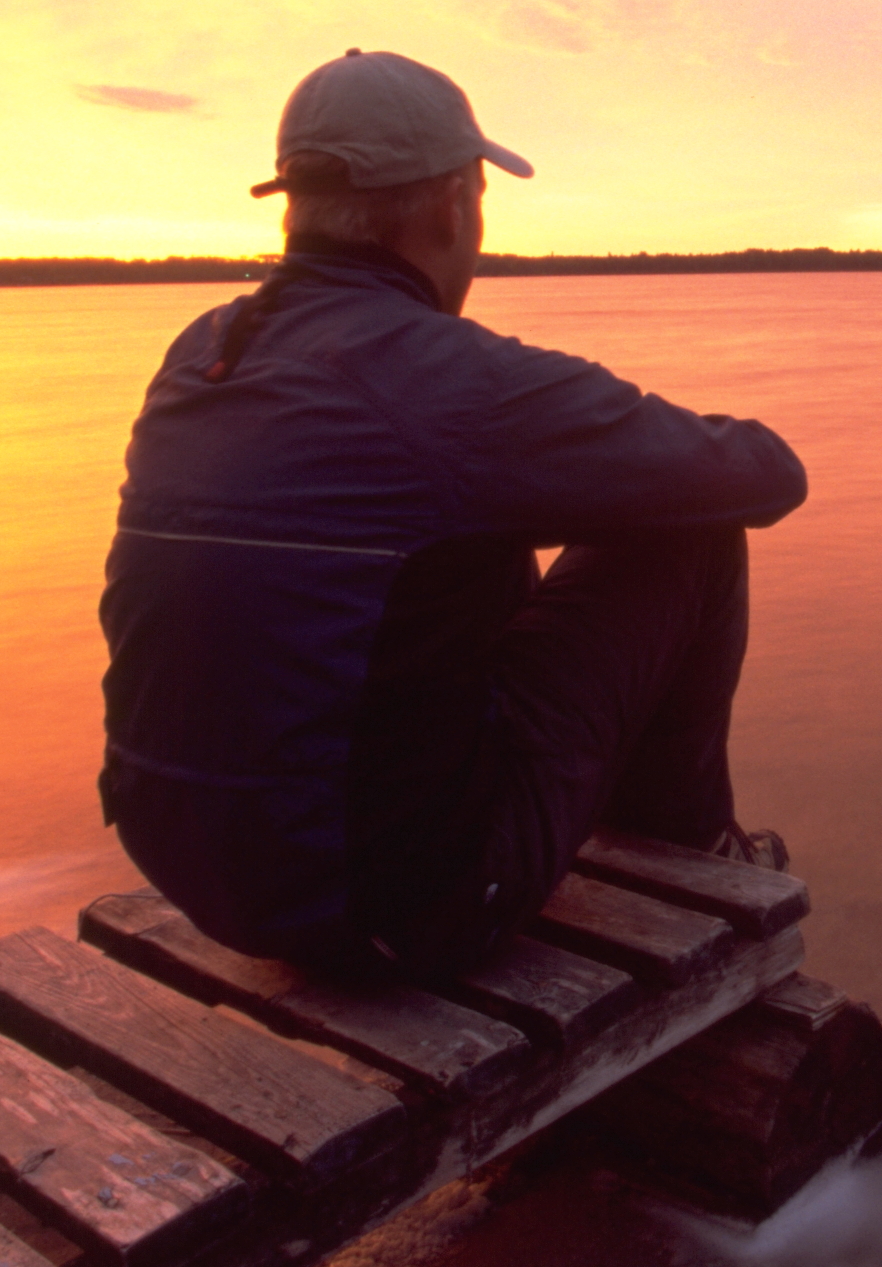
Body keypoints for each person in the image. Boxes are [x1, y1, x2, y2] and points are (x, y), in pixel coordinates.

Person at [98, 49, 807, 982]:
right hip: (394, 907)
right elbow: (763, 473)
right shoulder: (446, 380)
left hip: (192, 866)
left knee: (443, 547)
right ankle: (692, 864)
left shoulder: (201, 353)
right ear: (451, 203)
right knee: (689, 526)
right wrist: (582, 480)